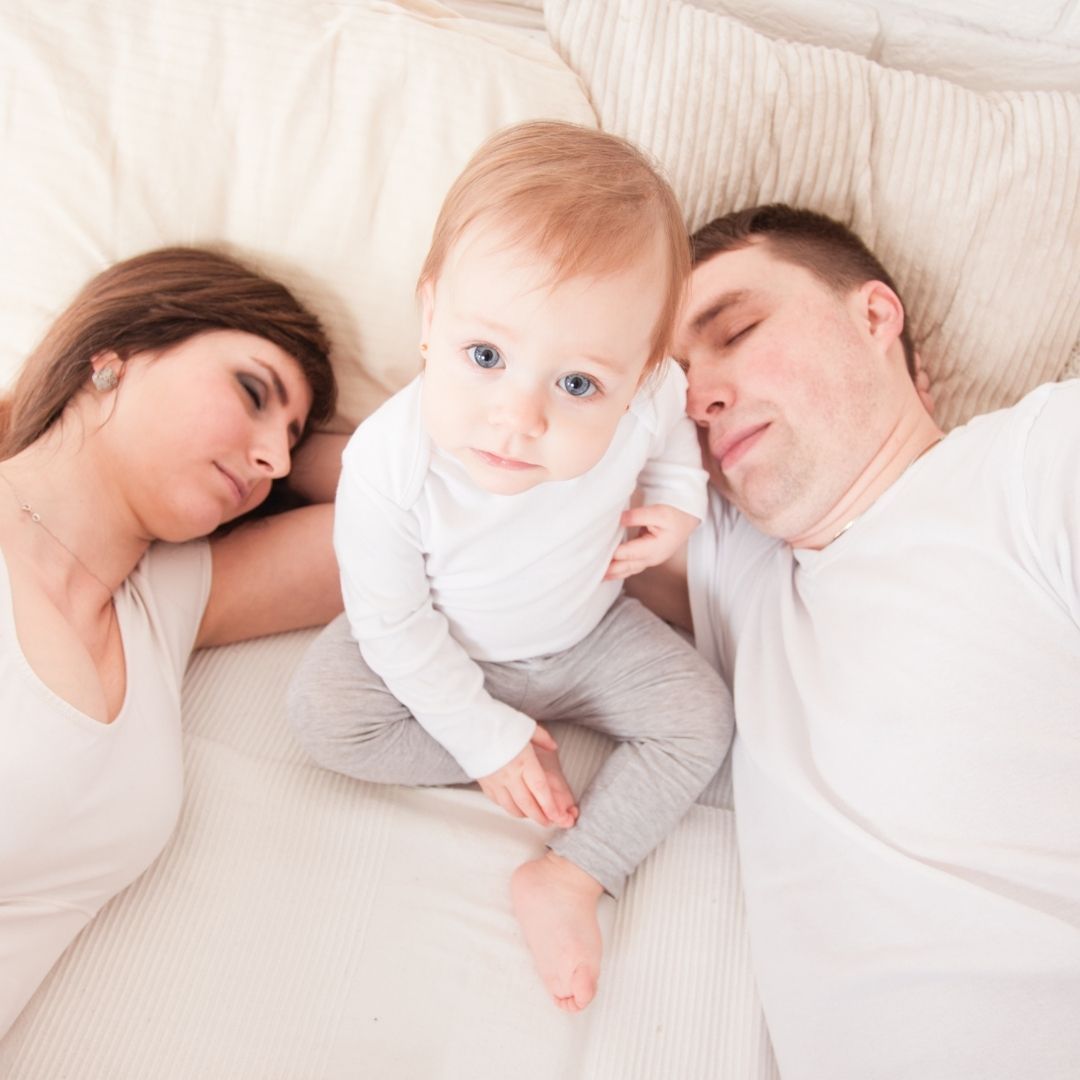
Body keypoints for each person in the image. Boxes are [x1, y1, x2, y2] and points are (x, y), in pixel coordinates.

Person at [286, 121, 734, 1013]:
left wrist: (680, 499)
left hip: (588, 632)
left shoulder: (649, 393)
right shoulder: (389, 462)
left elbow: (677, 413)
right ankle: (510, 751)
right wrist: (480, 736)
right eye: (485, 357)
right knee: (321, 718)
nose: (517, 417)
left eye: (576, 386)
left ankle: (572, 876)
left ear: (637, 372)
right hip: (443, 646)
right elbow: (392, 623)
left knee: (704, 723)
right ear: (429, 318)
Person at [641, 203, 1080, 1080]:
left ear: (875, 317)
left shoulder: (1034, 463)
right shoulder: (744, 573)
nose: (697, 395)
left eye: (734, 332)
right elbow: (447, 488)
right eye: (676, 379)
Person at [0, 247, 346, 1037]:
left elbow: (427, 519)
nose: (276, 457)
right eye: (252, 391)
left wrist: (300, 455)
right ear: (113, 356)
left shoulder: (166, 603)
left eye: (294, 438)